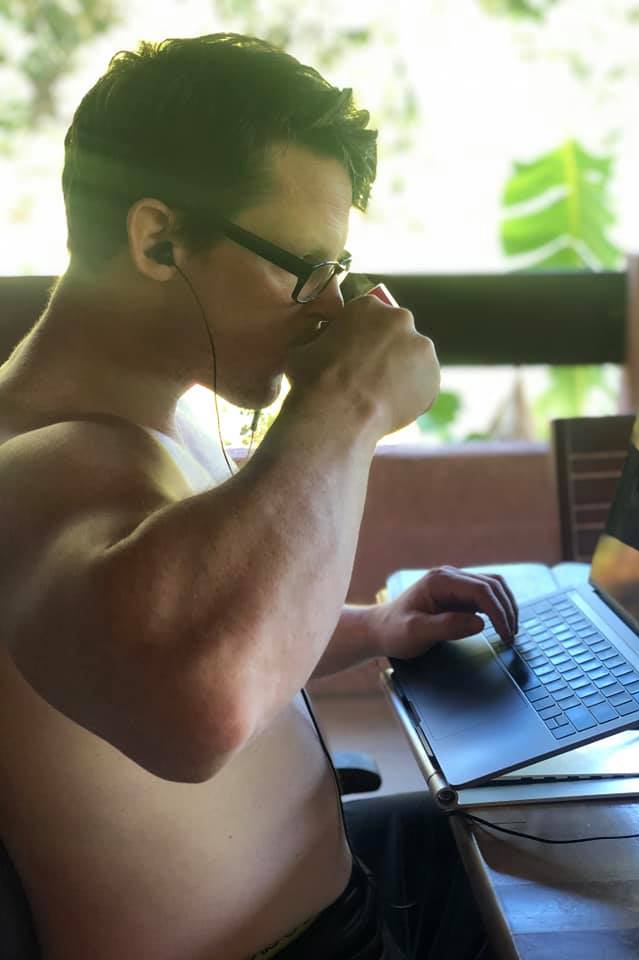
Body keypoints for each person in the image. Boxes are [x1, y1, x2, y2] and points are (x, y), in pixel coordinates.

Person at [0, 33, 518, 960]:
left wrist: (376, 625)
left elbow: (186, 618)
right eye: (305, 268)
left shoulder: (153, 420)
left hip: (339, 899)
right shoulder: (25, 466)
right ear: (159, 238)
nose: (328, 306)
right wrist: (347, 404)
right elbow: (195, 709)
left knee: (594, 855)